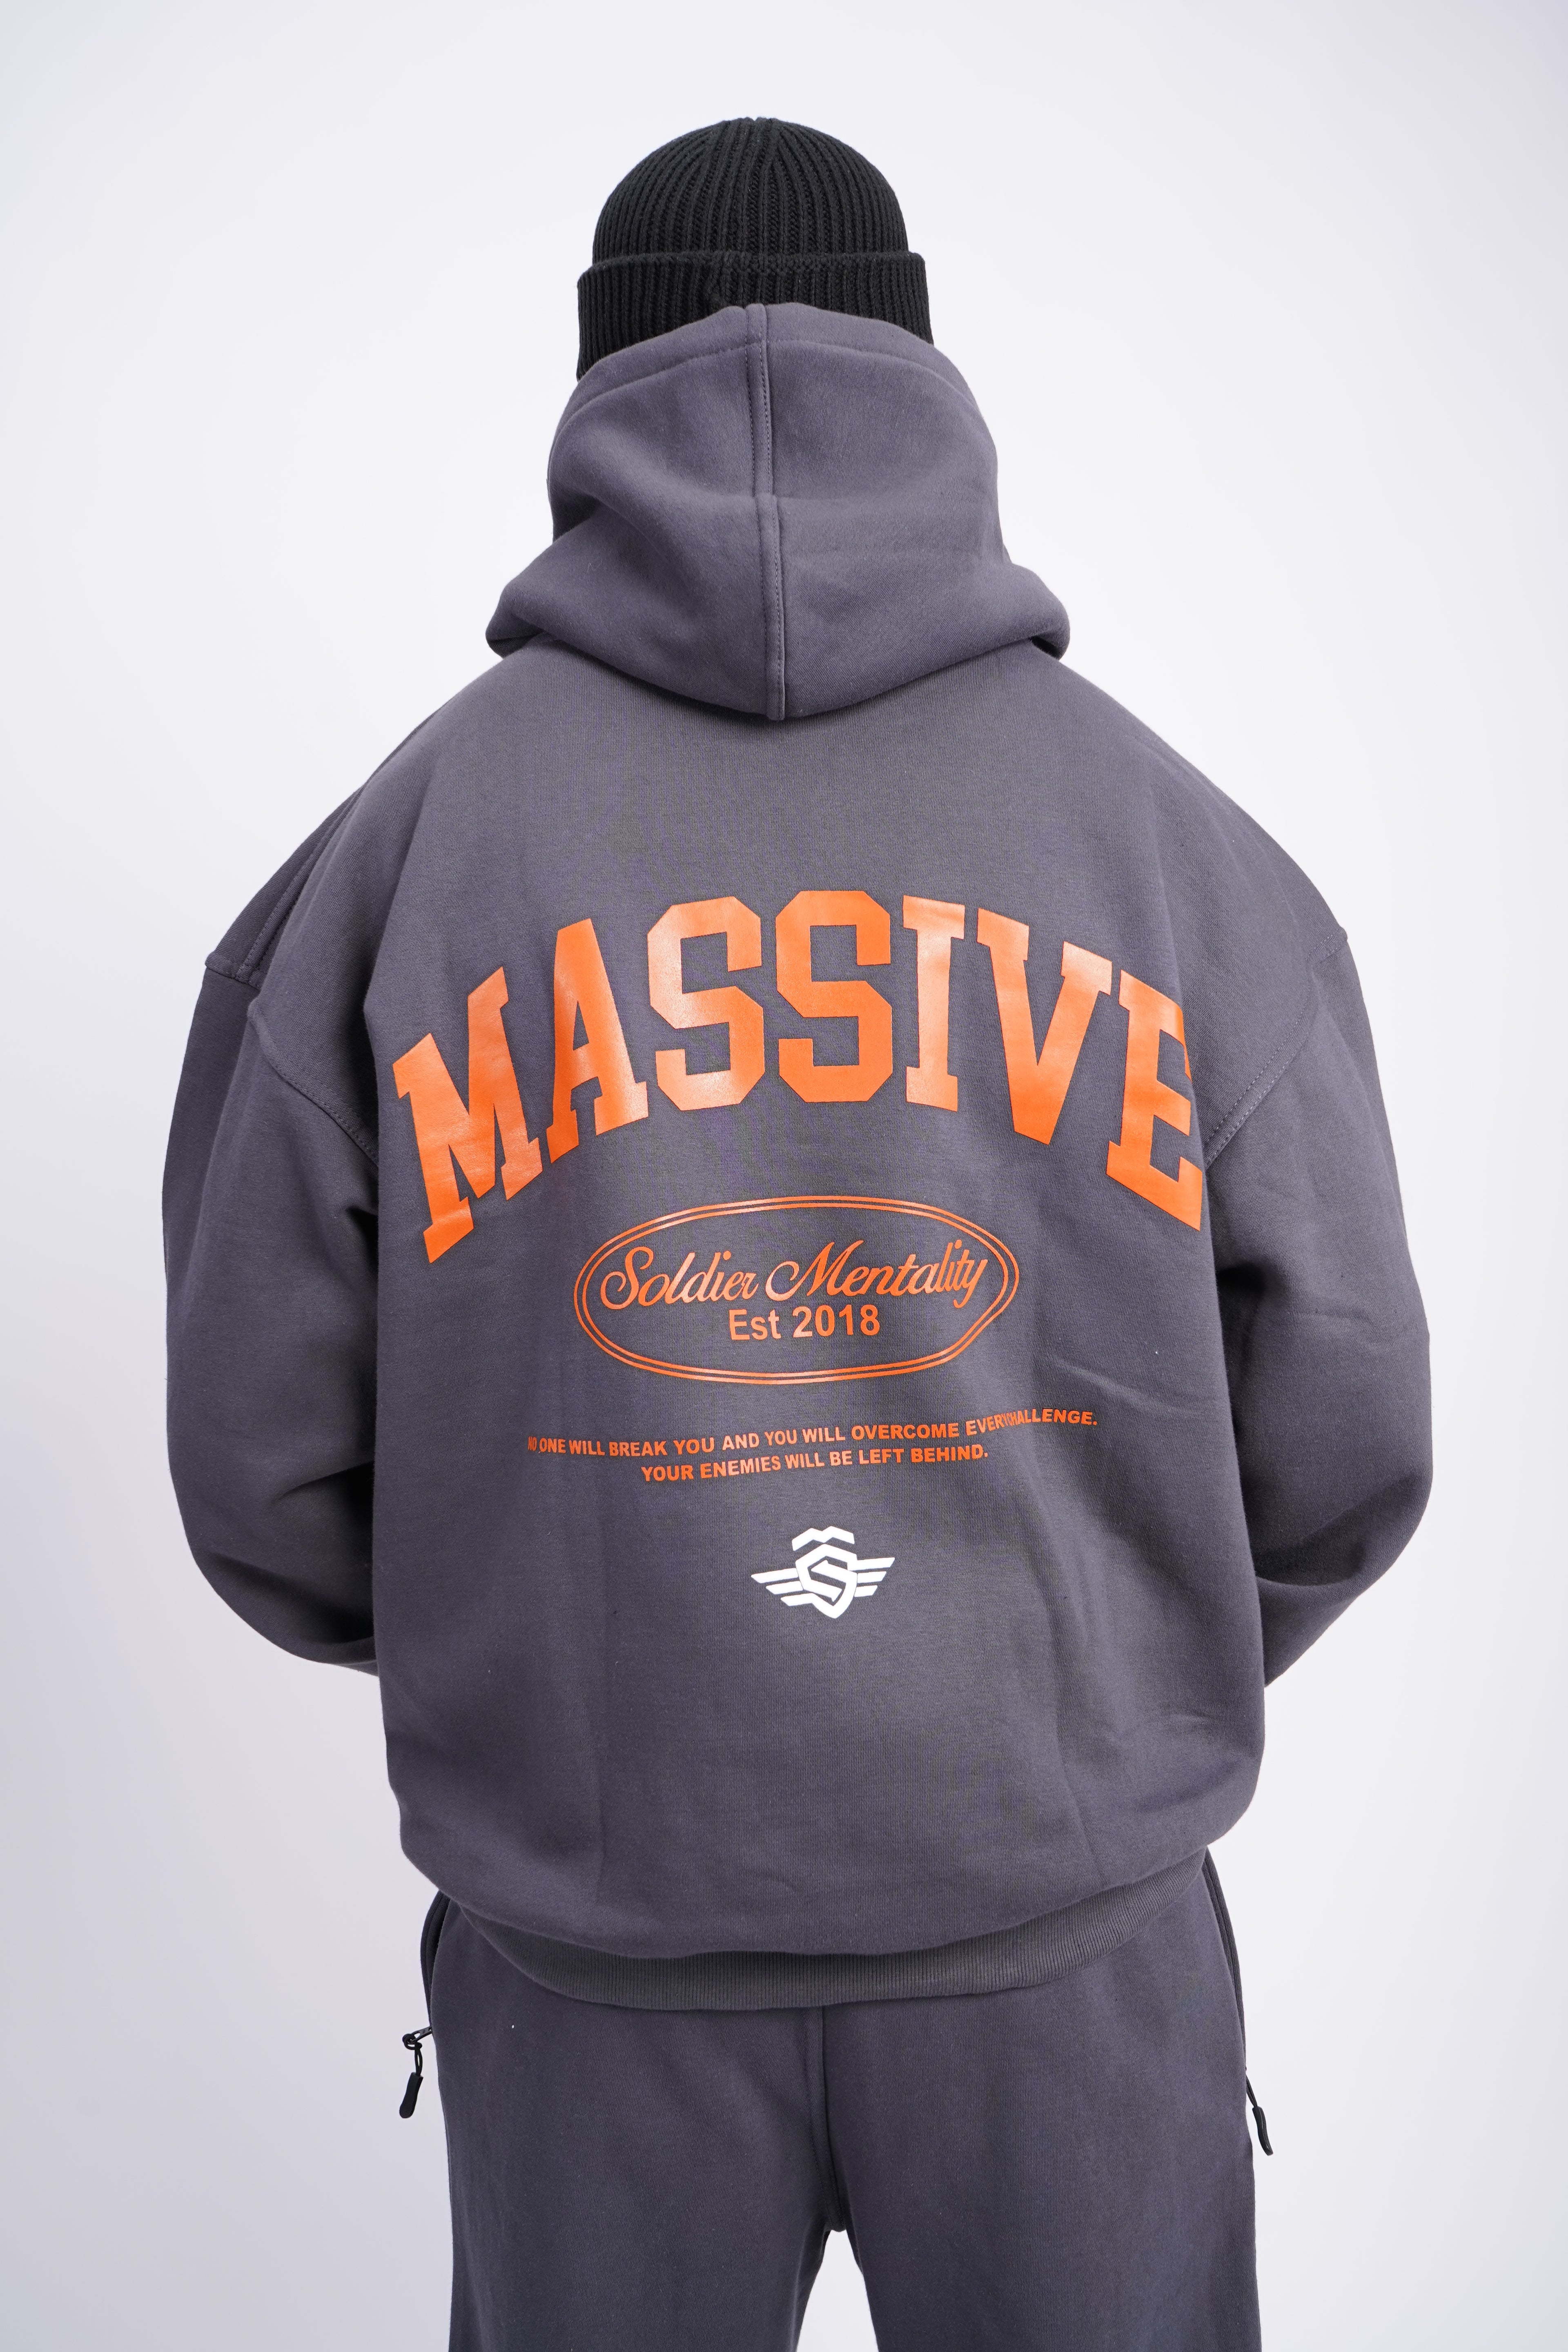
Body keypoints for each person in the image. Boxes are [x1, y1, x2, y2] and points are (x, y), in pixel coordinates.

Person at [164, 116, 1431, 2352]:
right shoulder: (1173, 855)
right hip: (1067, 1970)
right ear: (924, 364)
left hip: (594, 1976)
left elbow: (261, 1464)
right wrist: (1096, 1662)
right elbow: (1348, 1432)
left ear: (594, 378)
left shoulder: (401, 853)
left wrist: (565, 1646)